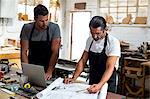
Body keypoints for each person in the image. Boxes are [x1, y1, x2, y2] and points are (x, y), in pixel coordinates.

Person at [64, 16, 120, 93]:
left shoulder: (113, 42)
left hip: (107, 81)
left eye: (98, 33)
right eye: (92, 33)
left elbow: (110, 67)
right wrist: (74, 78)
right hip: (93, 78)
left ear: (105, 30)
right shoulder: (90, 40)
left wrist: (100, 85)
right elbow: (83, 61)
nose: (94, 36)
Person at [20, 4, 61, 80]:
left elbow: (55, 52)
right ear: (35, 19)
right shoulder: (27, 28)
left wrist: (49, 71)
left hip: (49, 67)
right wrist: (27, 71)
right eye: (41, 21)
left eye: (46, 20)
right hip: (32, 66)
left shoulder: (54, 28)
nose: (45, 24)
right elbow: (23, 52)